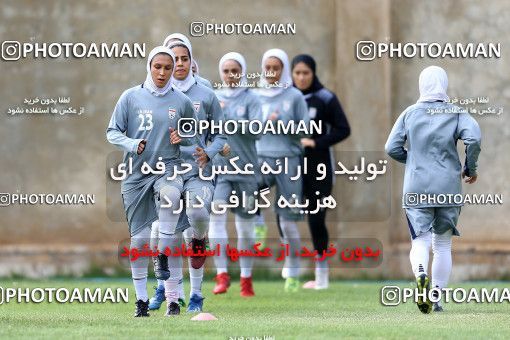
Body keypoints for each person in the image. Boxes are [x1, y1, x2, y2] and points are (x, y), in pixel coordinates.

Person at [106, 46, 198, 317]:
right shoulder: (130, 97)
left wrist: (182, 140)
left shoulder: (181, 101)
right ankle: (141, 301)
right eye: (157, 66)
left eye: (167, 68)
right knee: (139, 241)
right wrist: (133, 143)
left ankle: (171, 299)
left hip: (168, 168)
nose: (162, 72)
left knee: (170, 200)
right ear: (149, 66)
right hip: (136, 173)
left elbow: (193, 137)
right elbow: (112, 131)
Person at [385, 65, 481, 313]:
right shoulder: (457, 113)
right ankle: (436, 298)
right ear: (444, 85)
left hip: (416, 186)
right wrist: (470, 168)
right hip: (448, 186)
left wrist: (415, 161)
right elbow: (474, 139)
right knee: (442, 245)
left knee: (420, 240)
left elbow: (391, 147)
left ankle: (419, 275)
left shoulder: (409, 113)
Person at [149, 38, 226, 314]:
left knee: (197, 219)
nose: (178, 64)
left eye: (183, 59)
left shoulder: (205, 93)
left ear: (191, 60)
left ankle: (195, 286)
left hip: (197, 172)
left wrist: (209, 152)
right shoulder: (153, 94)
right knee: (163, 230)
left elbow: (220, 135)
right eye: (173, 60)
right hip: (166, 172)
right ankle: (174, 294)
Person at [291, 54, 350, 290]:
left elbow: (343, 129)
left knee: (316, 219)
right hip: (291, 168)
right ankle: (291, 268)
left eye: (306, 73)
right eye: (297, 73)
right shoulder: (285, 98)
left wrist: (316, 142)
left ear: (313, 73)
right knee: (283, 214)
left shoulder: (325, 98)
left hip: (319, 169)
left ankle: (322, 274)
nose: (302, 77)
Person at [255, 48, 310, 292]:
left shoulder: (295, 96)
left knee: (288, 223)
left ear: (283, 69)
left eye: (276, 68)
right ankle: (258, 224)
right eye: (267, 67)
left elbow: (306, 129)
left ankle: (293, 272)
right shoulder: (254, 95)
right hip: (261, 157)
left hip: (289, 160)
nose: (271, 72)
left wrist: (283, 123)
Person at [208, 52, 262, 296]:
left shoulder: (252, 98)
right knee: (216, 219)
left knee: (245, 227)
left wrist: (230, 121)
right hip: (222, 172)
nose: (231, 75)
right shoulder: (214, 98)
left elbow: (258, 130)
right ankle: (221, 275)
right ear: (221, 73)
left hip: (247, 172)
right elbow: (207, 129)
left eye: (235, 71)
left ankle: (246, 278)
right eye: (226, 71)